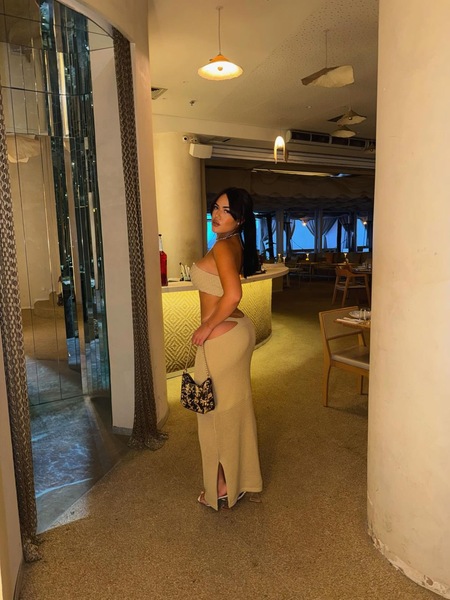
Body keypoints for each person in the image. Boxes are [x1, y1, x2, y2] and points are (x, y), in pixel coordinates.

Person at [190, 187, 263, 510]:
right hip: (236, 332)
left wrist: (206, 327)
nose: (217, 215)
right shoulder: (232, 243)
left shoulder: (223, 247)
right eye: (216, 207)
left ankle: (221, 486)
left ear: (240, 219)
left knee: (214, 416)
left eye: (226, 210)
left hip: (222, 338)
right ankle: (237, 480)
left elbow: (233, 295)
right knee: (233, 412)